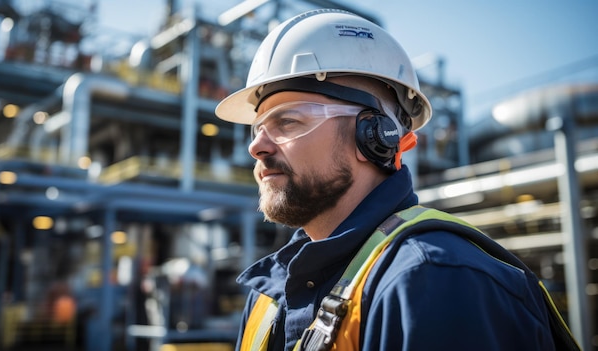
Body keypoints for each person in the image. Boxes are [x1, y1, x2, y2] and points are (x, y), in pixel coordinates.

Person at [215, 8, 578, 351]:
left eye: (288, 121)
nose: (257, 147)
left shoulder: (437, 281)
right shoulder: (267, 294)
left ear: (373, 136)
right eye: (257, 129)